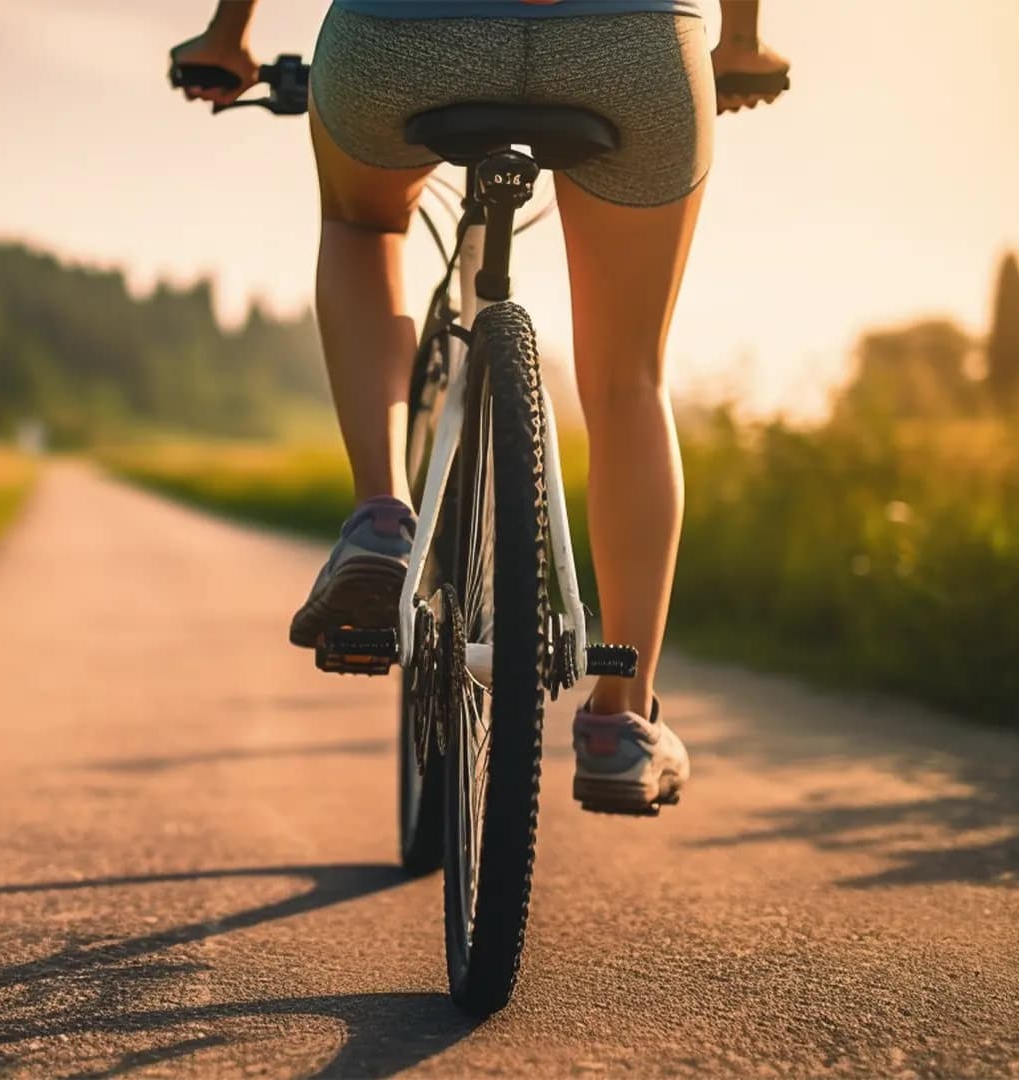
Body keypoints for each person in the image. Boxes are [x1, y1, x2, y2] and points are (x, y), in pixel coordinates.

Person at [170, 0, 788, 812]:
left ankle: (383, 518)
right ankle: (621, 723)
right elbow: (728, 43)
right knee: (629, 379)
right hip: (629, 40)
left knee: (362, 223)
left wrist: (228, 38)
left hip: (403, 36)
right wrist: (739, 45)